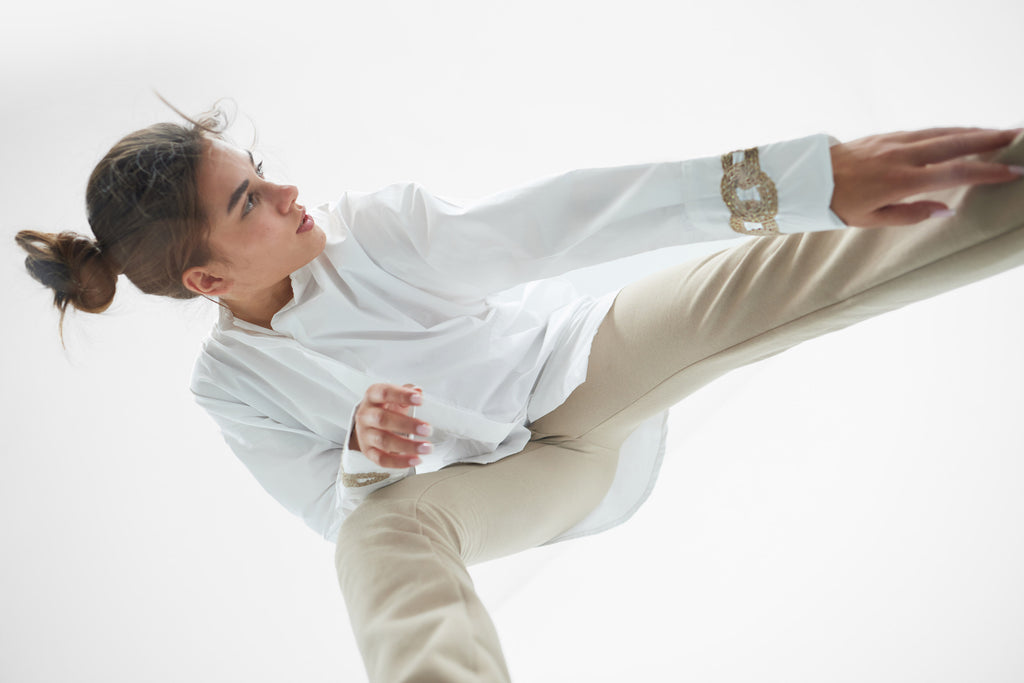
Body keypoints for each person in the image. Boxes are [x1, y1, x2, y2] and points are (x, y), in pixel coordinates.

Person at [15, 102, 1024, 682]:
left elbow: (575, 217)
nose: (287, 193)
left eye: (263, 171)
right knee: (374, 539)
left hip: (579, 373)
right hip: (520, 488)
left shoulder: (379, 229)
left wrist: (806, 181)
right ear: (207, 280)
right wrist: (364, 452)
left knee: (762, 279)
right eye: (250, 202)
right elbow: (332, 508)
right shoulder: (230, 383)